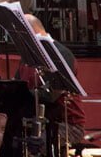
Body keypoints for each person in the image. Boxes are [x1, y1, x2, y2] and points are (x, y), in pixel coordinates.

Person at [18, 14, 86, 152]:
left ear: (31, 31)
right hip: (37, 120)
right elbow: (18, 86)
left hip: (66, 125)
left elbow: (50, 96)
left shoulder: (61, 54)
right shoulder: (27, 58)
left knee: (37, 144)